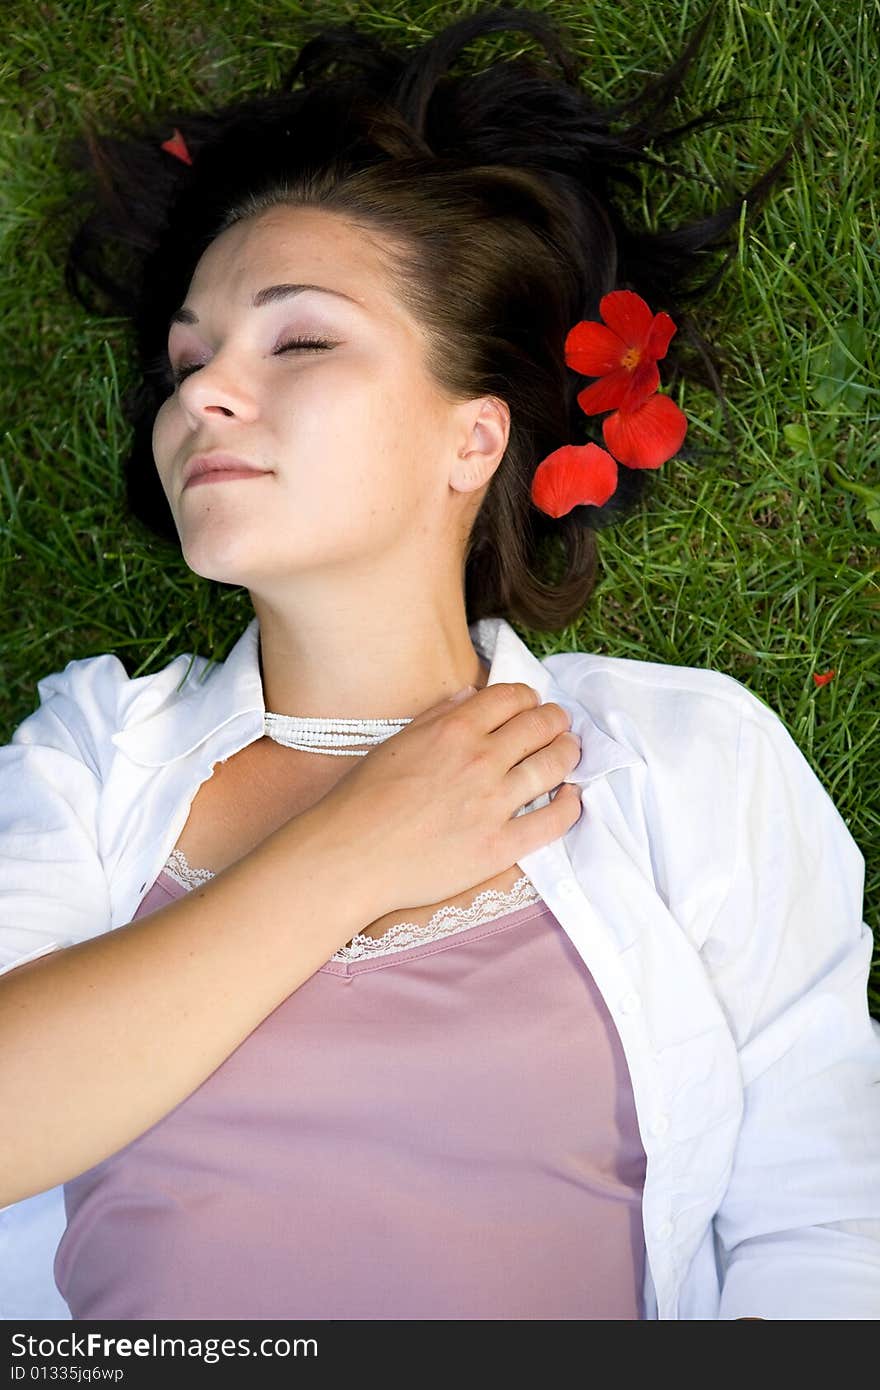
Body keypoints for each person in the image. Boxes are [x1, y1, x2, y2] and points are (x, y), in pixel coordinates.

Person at [1, 3, 878, 1322]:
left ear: (474, 438)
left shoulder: (685, 762)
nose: (199, 395)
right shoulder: (88, 756)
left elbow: (828, 1233)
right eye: (187, 362)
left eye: (296, 339)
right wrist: (358, 849)